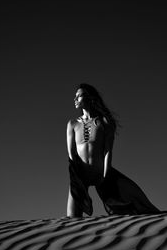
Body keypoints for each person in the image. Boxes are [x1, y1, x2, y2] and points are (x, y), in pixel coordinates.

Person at [66, 83, 161, 218]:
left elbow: (107, 151)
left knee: (127, 206)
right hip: (80, 177)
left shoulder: (105, 122)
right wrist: (77, 181)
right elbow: (71, 155)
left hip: (101, 173)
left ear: (90, 97)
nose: (75, 99)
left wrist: (105, 176)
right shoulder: (72, 124)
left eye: (79, 96)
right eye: (74, 96)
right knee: (72, 218)